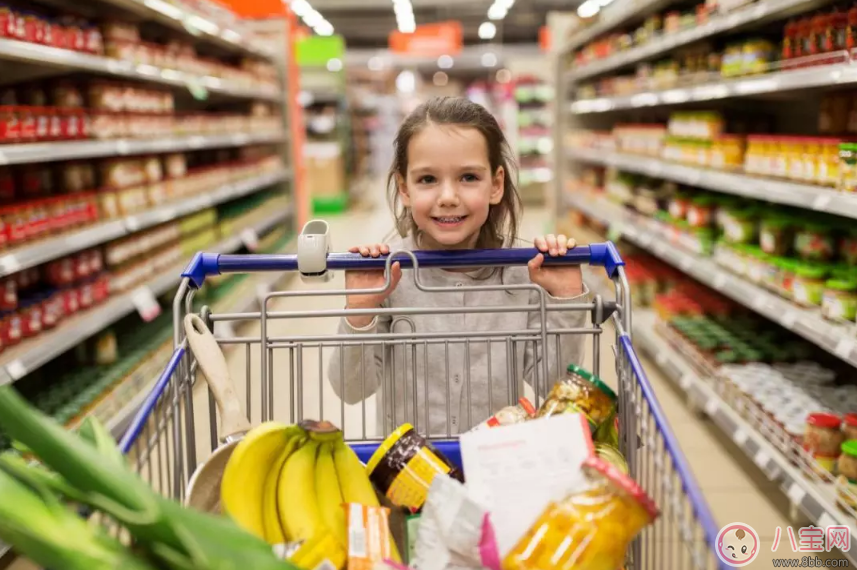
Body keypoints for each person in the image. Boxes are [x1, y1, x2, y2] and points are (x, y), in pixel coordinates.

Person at [327, 96, 588, 436]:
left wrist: (566, 299)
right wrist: (361, 310)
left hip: (495, 465)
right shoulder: (389, 276)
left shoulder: (523, 273)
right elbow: (351, 390)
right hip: (409, 472)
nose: (448, 196)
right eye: (427, 180)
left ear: (496, 185)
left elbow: (552, 382)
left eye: (468, 177)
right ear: (404, 188)